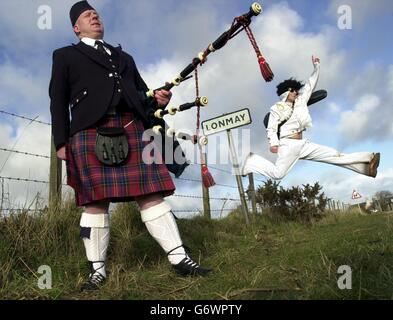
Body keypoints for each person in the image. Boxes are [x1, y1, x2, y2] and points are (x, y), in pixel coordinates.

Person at [49, 1, 211, 291]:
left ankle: (180, 259)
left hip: (132, 127)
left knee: (151, 193)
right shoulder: (64, 56)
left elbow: (141, 95)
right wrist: (61, 141)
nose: (94, 16)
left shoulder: (124, 57)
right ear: (77, 27)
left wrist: (158, 101)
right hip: (88, 132)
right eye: (87, 15)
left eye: (96, 13)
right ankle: (97, 271)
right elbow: (57, 101)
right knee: (95, 202)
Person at [241, 55, 380, 180]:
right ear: (285, 93)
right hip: (288, 145)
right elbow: (271, 128)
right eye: (293, 90)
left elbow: (310, 84)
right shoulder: (277, 108)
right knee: (278, 174)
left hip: (302, 144)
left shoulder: (301, 101)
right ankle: (250, 161)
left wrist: (316, 67)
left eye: (296, 90)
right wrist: (274, 144)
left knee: (333, 155)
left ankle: (367, 163)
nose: (296, 92)